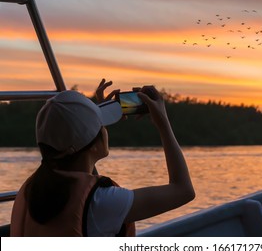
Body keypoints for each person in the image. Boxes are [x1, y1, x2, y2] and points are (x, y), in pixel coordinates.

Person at [10, 79, 195, 236]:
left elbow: (81, 164)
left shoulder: (30, 190)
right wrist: (163, 122)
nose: (105, 130)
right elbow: (183, 190)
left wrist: (90, 120)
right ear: (91, 145)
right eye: (101, 127)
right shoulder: (103, 202)